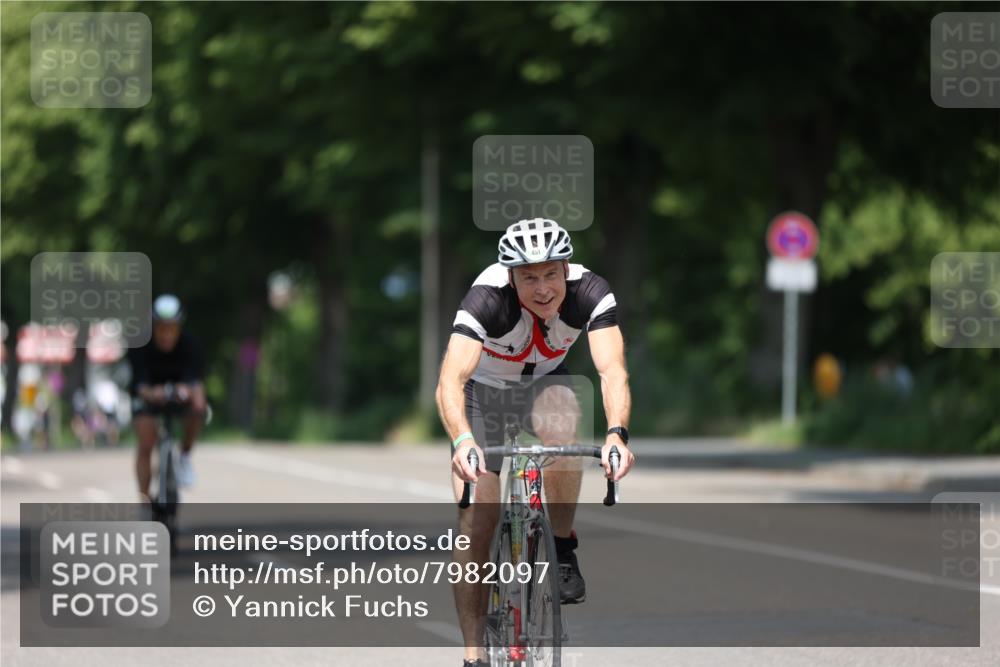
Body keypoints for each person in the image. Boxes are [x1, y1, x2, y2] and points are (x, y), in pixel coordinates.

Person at [436, 218, 636, 666]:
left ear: (566, 269)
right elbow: (450, 380)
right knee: (476, 523)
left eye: (550, 274)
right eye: (529, 277)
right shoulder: (486, 299)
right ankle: (474, 656)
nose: (542, 288)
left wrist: (616, 434)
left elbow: (612, 371)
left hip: (543, 384)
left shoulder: (591, 293)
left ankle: (562, 547)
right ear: (511, 277)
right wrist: (463, 439)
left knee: (566, 423)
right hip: (480, 394)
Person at [128, 294, 206, 501]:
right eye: (162, 328)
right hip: (148, 397)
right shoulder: (140, 346)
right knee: (146, 441)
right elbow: (139, 385)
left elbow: (195, 383)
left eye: (172, 328)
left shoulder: (191, 345)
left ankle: (185, 456)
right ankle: (144, 500)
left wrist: (188, 392)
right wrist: (153, 393)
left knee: (199, 406)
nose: (166, 334)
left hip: (179, 396)